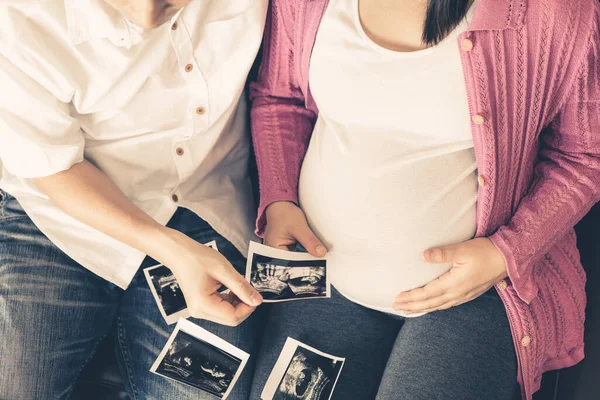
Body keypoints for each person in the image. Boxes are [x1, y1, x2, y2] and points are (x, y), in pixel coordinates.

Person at [249, 0, 600, 399]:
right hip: (322, 281)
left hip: (474, 296)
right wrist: (279, 199)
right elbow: (280, 99)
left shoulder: (554, 11)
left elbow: (583, 156)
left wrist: (506, 253)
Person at [0, 0, 268, 399]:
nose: (146, 17)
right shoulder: (20, 17)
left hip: (207, 205)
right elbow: (54, 167)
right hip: (58, 219)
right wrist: (172, 250)